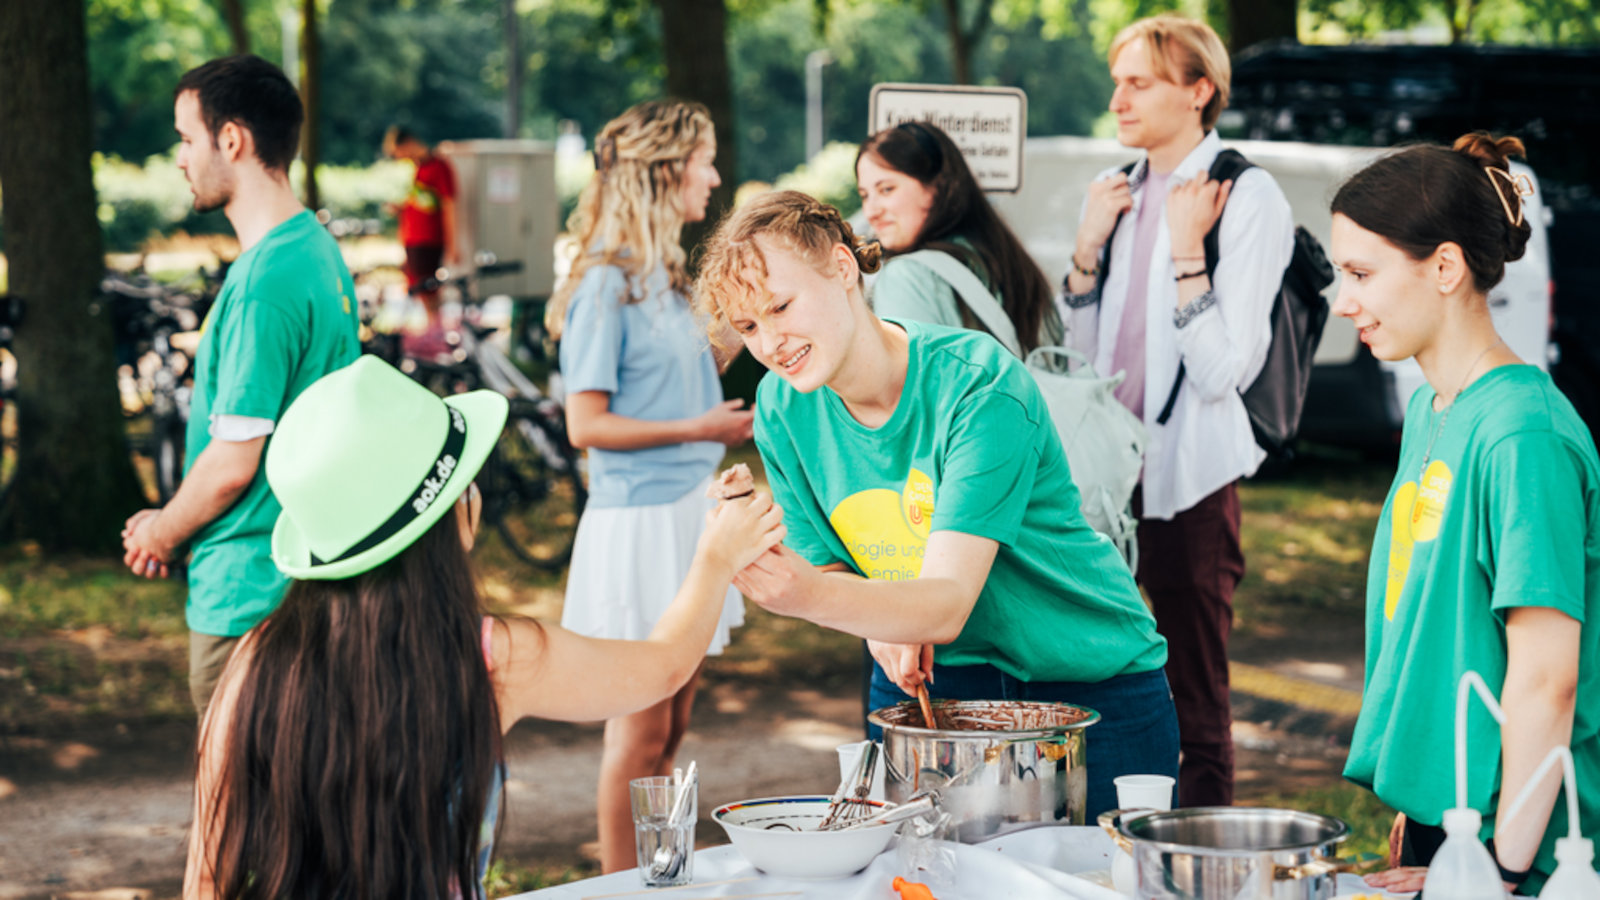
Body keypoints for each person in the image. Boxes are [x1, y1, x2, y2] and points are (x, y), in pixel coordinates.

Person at [182, 355, 785, 900]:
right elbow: (664, 666)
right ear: (450, 515)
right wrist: (715, 557)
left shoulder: (254, 661)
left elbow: (206, 878)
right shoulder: (491, 658)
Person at [693, 189, 1179, 819]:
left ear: (843, 269)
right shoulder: (783, 409)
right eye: (749, 325)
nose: (771, 342)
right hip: (938, 683)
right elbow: (835, 564)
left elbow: (945, 604)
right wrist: (877, 627)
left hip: (1089, 685)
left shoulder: (977, 384)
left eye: (781, 306)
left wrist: (801, 594)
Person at [1330, 134, 1600, 897]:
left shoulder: (1524, 437)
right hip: (1458, 825)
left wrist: (1496, 870)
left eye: (1361, 274)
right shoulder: (1433, 408)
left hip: (1532, 852)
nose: (1344, 301)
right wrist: (1431, 807)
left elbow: (1547, 681)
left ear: (1444, 268)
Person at [1059, 14, 1294, 807]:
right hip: (1107, 477)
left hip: (1190, 475)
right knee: (1100, 678)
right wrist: (1088, 252)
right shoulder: (1120, 188)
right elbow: (1086, 362)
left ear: (1199, 91)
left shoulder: (1245, 194)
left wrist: (1190, 251)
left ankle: (1203, 861)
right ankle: (1115, 846)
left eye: (1140, 82)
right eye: (1117, 80)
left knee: (1195, 691)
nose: (1119, 98)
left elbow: (1226, 369)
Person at [543, 99, 753, 874]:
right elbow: (586, 424)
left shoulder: (664, 276)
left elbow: (685, 380)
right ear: (666, 170)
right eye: (704, 160)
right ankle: (621, 888)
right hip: (637, 527)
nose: (716, 177)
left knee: (670, 732)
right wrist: (704, 430)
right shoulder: (605, 284)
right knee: (637, 733)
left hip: (687, 515)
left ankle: (660, 876)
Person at [121, 55, 361, 719]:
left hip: (247, 595)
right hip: (304, 579)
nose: (180, 158)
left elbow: (232, 465)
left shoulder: (263, 285)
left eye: (186, 138)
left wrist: (160, 533)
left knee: (234, 818)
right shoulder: (316, 250)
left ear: (232, 140)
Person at [855, 121, 1061, 354]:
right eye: (864, 195)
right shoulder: (1007, 260)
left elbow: (915, 385)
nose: (871, 211)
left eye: (887, 189)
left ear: (936, 188)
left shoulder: (907, 277)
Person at [383, 125, 459, 358]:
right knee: (421, 288)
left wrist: (453, 243)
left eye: (399, 152)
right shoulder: (420, 169)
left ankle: (437, 335)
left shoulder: (438, 166)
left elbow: (449, 206)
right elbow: (423, 203)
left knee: (429, 289)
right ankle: (434, 332)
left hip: (429, 240)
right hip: (415, 239)